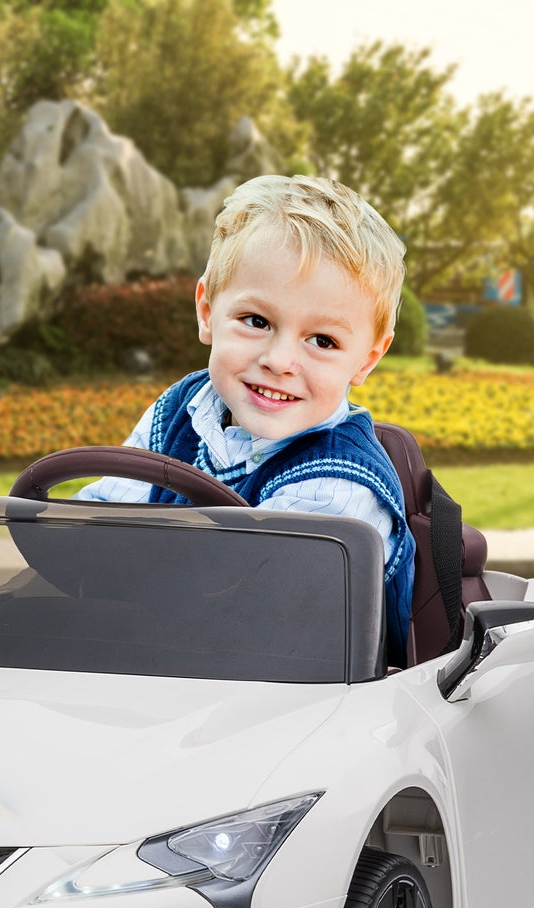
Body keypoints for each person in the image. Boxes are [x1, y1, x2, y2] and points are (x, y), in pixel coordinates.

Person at [78, 174, 415, 651]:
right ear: (207, 312)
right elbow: (104, 517)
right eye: (257, 321)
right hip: (166, 670)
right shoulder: (183, 407)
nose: (279, 361)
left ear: (366, 359)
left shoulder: (336, 485)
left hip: (296, 701)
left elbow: (247, 620)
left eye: (323, 341)